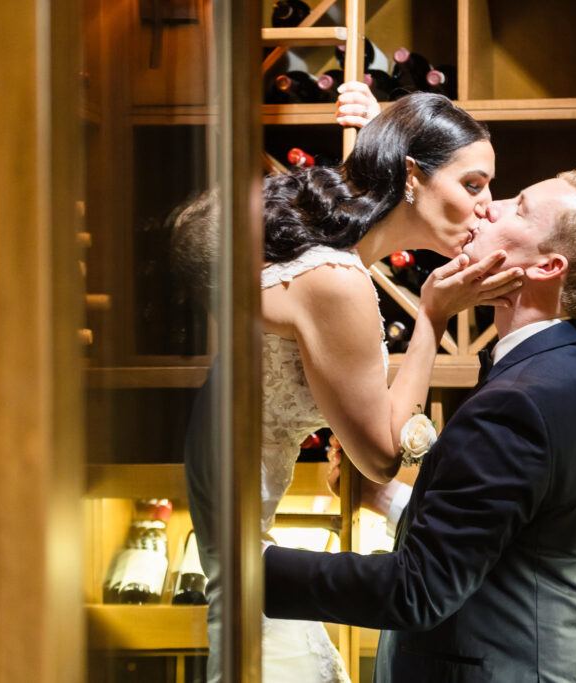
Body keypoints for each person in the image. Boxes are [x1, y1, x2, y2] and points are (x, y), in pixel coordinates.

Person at [179, 90, 525, 683]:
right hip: (247, 559)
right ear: (412, 175)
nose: (487, 207)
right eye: (474, 185)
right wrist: (431, 320)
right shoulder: (336, 278)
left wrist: (387, 123)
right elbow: (381, 456)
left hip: (239, 549)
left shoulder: (326, 259)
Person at [262, 170, 576, 682]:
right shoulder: (569, 370)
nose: (491, 206)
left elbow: (416, 592)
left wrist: (252, 567)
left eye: (520, 207)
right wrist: (391, 502)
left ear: (548, 266)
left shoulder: (522, 399)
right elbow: (516, 541)